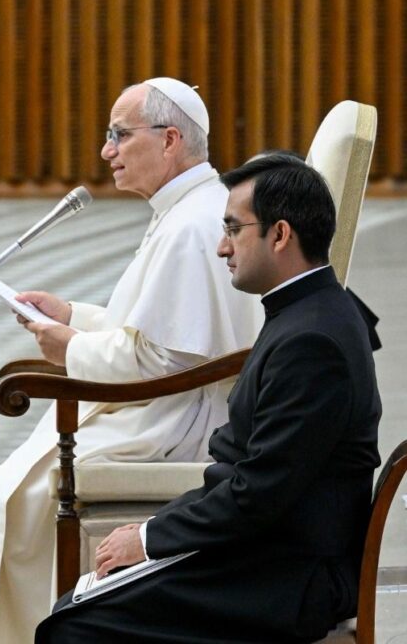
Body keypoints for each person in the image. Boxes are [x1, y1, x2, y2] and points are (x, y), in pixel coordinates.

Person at [36, 155, 382, 643]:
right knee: (79, 605)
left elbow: (260, 491)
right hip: (270, 552)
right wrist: (158, 529)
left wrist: (150, 538)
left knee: (75, 627)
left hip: (289, 576)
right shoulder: (309, 310)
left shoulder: (313, 340)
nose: (222, 248)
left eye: (234, 230)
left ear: (280, 235)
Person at [0, 77, 264, 641]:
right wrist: (72, 315)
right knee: (8, 484)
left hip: (177, 420)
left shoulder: (192, 223)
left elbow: (166, 361)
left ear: (170, 138)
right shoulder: (191, 208)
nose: (107, 151)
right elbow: (156, 330)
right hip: (172, 401)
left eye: (119, 135)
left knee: (19, 492)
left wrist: (70, 349)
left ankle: (52, 630)